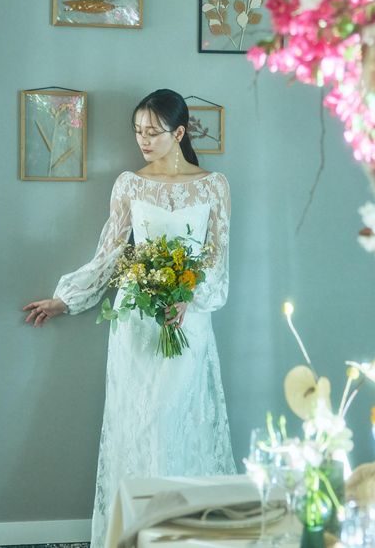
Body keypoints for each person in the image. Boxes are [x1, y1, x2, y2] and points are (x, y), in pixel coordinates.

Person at [23, 89, 236, 548]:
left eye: (153, 132)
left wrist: (189, 297)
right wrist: (66, 299)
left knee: (177, 421)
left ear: (179, 133)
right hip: (136, 319)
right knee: (137, 424)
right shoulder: (129, 184)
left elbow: (216, 261)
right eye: (138, 131)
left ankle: (182, 532)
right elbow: (109, 253)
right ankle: (139, 534)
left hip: (187, 320)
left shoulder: (214, 185)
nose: (143, 140)